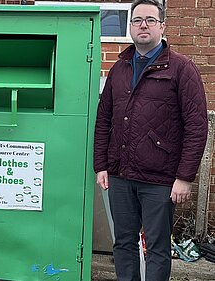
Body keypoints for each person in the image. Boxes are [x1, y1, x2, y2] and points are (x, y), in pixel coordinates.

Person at [93, 0, 208, 280]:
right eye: (137, 20)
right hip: (120, 175)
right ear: (131, 26)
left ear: (162, 26)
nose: (143, 25)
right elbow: (104, 119)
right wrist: (101, 166)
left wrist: (185, 177)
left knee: (157, 248)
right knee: (123, 244)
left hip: (160, 180)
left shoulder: (182, 68)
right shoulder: (119, 69)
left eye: (150, 20)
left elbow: (196, 125)